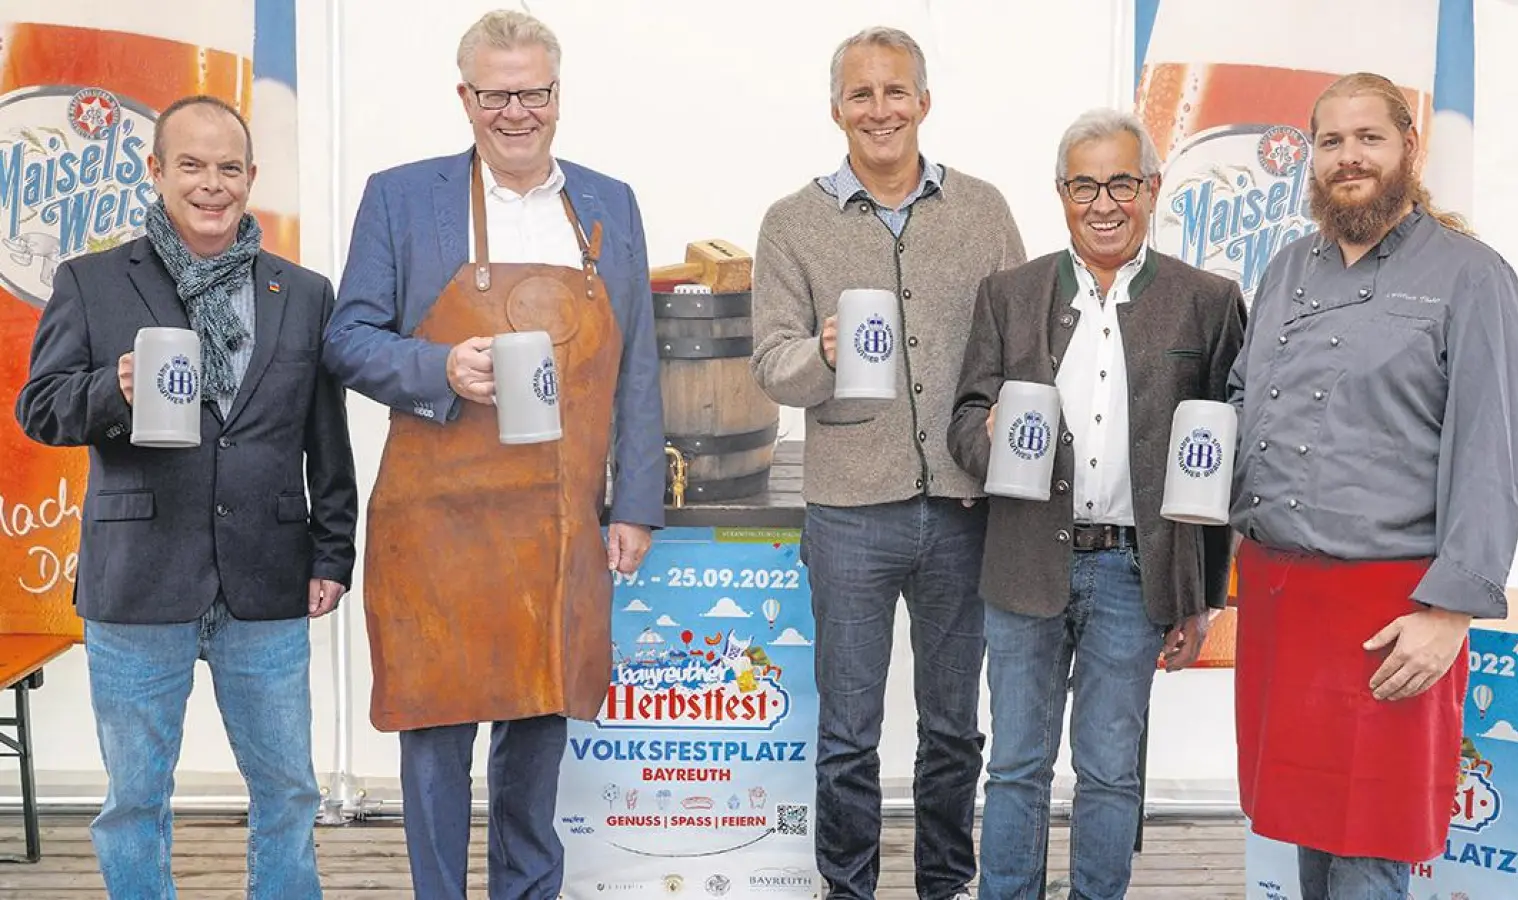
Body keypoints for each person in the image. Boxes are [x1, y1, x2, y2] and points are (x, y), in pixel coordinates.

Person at [322, 9, 665, 899]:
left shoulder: (608, 202)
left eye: (534, 93)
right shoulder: (402, 197)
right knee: (434, 732)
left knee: (539, 729)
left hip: (554, 521)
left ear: (558, 95)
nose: (517, 112)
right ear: (465, 97)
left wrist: (632, 504)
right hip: (435, 522)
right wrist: (439, 365)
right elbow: (347, 338)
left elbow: (636, 367)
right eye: (497, 95)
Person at [14, 95, 356, 898]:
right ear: (156, 172)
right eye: (192, 166)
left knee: (290, 791)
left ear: (251, 179)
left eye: (228, 168)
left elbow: (326, 438)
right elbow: (41, 408)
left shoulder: (302, 293)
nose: (211, 185)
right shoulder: (93, 282)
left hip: (269, 577)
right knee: (135, 799)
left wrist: (334, 551)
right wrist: (114, 387)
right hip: (137, 578)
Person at [1228, 72, 1518, 900]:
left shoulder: (1472, 276)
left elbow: (1493, 452)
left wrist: (1451, 612)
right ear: (1312, 156)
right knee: (1304, 829)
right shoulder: (1287, 267)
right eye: (1331, 141)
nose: (1348, 157)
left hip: (1388, 612)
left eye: (1369, 137)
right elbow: (1243, 402)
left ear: (1410, 146)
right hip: (1282, 597)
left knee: (1369, 847)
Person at [749, 25, 1025, 900]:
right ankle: (849, 886)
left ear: (924, 103)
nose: (880, 109)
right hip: (848, 513)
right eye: (861, 94)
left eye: (895, 91)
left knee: (953, 729)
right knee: (849, 729)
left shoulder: (982, 212)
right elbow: (770, 366)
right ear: (836, 109)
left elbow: (1022, 350)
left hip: (964, 510)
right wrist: (824, 353)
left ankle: (945, 884)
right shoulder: (791, 224)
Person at [947, 108, 1245, 900]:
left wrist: (1203, 596)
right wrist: (995, 444)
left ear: (1151, 189)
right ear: (1060, 192)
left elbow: (1218, 465)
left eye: (1121, 182)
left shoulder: (1208, 302)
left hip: (1133, 574)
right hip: (1023, 565)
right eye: (1085, 184)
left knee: (1111, 773)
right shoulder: (1010, 295)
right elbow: (962, 425)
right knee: (1014, 766)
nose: (1103, 202)